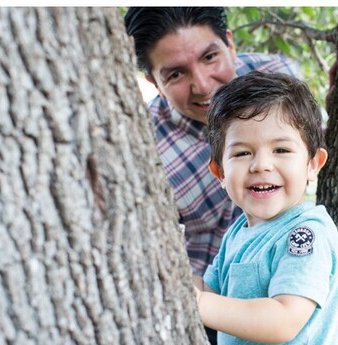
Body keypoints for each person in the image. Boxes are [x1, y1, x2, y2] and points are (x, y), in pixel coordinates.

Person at [124, 7, 301, 277]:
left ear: (229, 44)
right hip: (204, 301)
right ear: (154, 82)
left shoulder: (280, 79)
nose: (204, 86)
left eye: (209, 57)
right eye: (176, 74)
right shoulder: (144, 152)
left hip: (294, 275)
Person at [193, 71, 338, 345]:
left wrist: (200, 303)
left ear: (313, 164)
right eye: (242, 153)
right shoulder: (239, 232)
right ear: (219, 172)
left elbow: (284, 320)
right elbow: (210, 290)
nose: (261, 165)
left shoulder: (306, 234)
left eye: (280, 150)